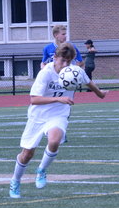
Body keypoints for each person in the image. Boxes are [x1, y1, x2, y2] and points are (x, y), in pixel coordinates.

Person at [9, 42, 107, 198]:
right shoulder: (46, 73)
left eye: (69, 61)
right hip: (38, 116)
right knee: (27, 154)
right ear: (55, 57)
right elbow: (34, 99)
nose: (65, 64)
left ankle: (41, 170)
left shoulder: (74, 71)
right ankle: (15, 181)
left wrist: (100, 94)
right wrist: (58, 99)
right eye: (63, 60)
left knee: (54, 141)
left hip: (58, 114)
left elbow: (88, 82)